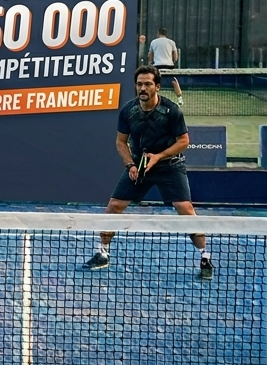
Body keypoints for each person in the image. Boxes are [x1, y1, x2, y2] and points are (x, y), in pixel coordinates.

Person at [85, 66, 210, 280]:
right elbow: (121, 142)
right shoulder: (128, 111)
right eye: (140, 84)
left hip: (169, 166)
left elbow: (184, 141)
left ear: (157, 87)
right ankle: (102, 253)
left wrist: (158, 157)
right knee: (114, 206)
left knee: (185, 209)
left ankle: (205, 256)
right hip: (140, 165)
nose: (143, 88)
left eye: (148, 84)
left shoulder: (171, 111)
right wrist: (130, 165)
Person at [147, 27, 184, 105]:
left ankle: (152, 99)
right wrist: (173, 61)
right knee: (174, 82)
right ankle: (180, 99)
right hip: (169, 66)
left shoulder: (153, 42)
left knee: (153, 83)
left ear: (158, 33)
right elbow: (176, 56)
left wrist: (150, 63)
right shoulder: (171, 42)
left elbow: (150, 55)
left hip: (157, 66)